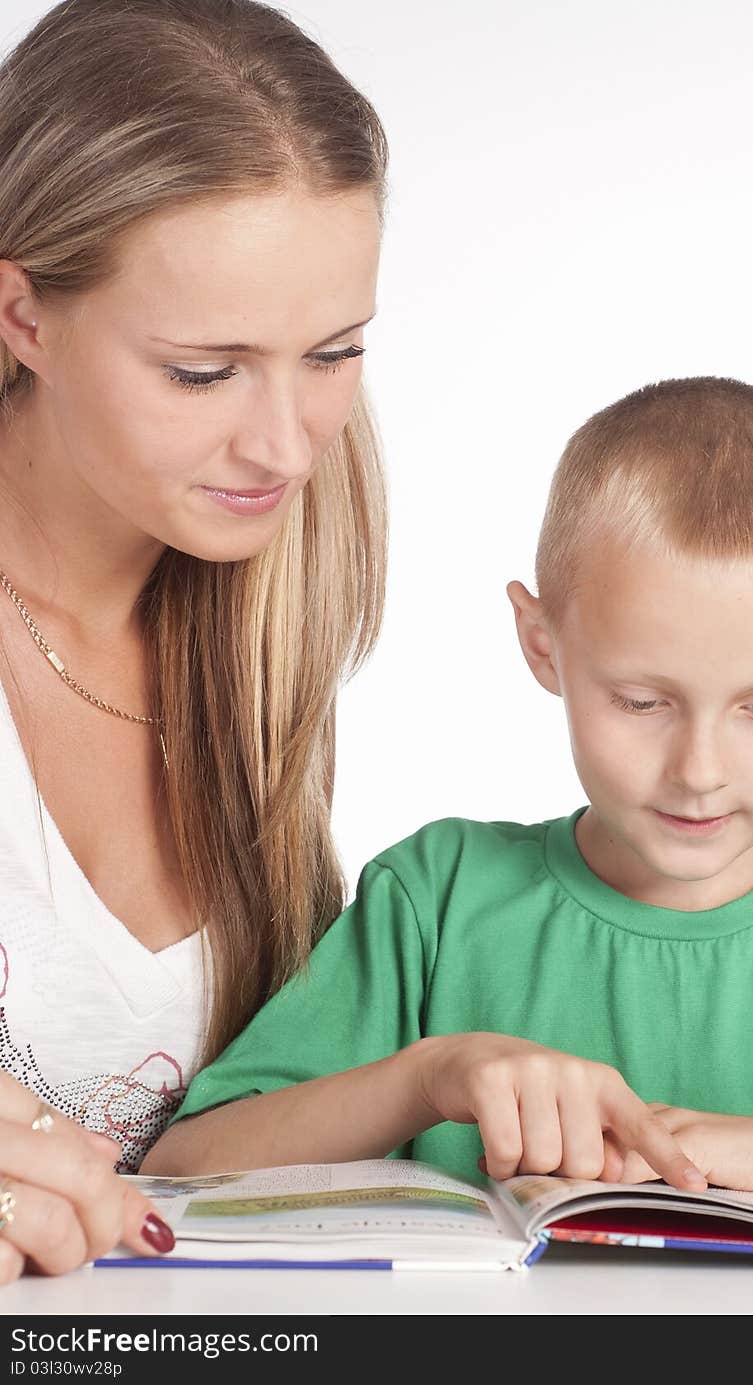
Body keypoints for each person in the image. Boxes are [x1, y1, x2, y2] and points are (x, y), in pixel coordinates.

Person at [148, 376, 753, 1195]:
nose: (699, 770)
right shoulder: (440, 898)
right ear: (541, 644)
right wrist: (426, 1078)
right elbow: (183, 1170)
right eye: (642, 702)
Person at [0, 0, 387, 1283]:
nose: (285, 445)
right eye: (203, 371)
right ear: (20, 314)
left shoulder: (267, 610)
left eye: (331, 353)